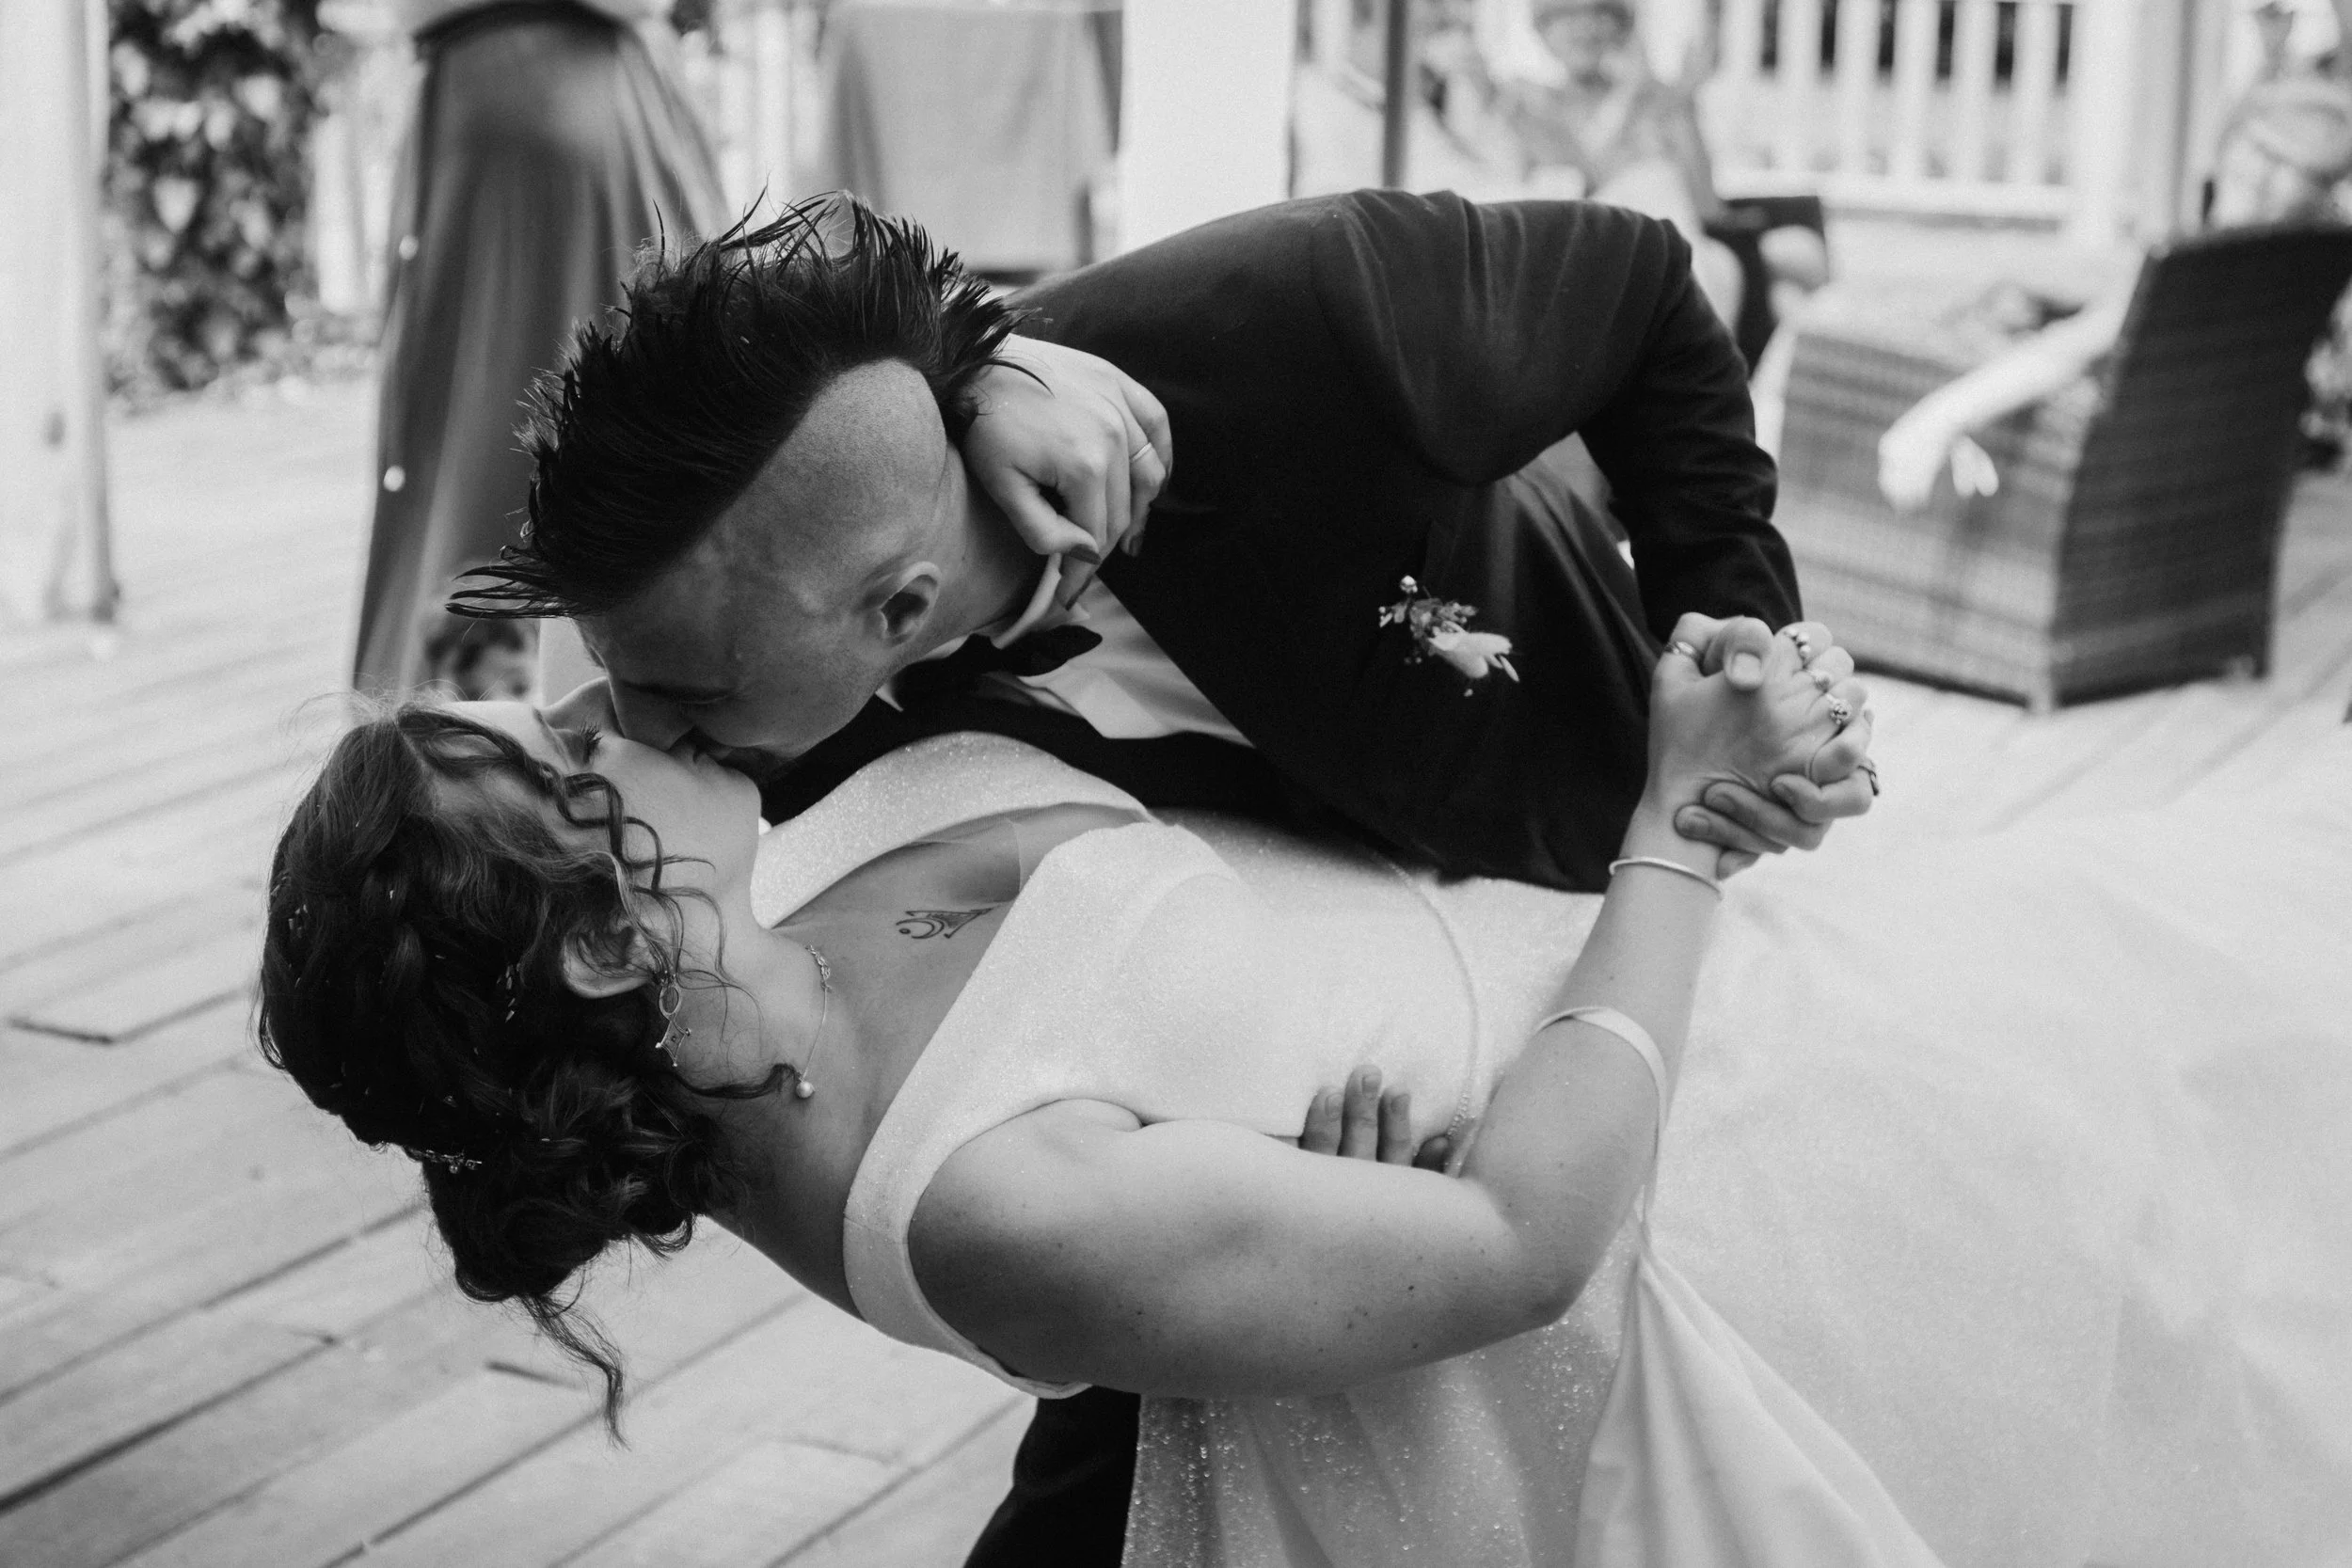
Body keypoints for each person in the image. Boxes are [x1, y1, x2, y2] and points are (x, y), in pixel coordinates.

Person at [441, 191, 1877, 1556]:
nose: (634, 732)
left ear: (898, 602)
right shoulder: (766, 762)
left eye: (684, 692)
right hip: (1343, 1179)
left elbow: (1643, 291)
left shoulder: (1317, 326)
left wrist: (1740, 652)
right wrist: (1231, 1191)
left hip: (1611, 863)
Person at [256, 653, 2352, 1563]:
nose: (583, 699)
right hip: (1677, 1176)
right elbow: (1514, 1245)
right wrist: (1681, 823)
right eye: (545, 746)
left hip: (1658, 982)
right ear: (616, 944)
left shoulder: (774, 868)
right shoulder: (979, 1204)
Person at [352, 0, 723, 694]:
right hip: (561, 103)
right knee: (531, 441)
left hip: (543, 108)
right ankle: (518, 726)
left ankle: (495, 738)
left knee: (517, 449)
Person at [1873, 72, 2352, 512]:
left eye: (2286, 163)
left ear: (2320, 184)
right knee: (2013, 302)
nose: (2257, 174)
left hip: (2122, 480)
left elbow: (2069, 353)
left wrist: (1929, 425)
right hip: (2227, 470)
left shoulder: (2210, 271)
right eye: (2254, 148)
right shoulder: (2316, 255)